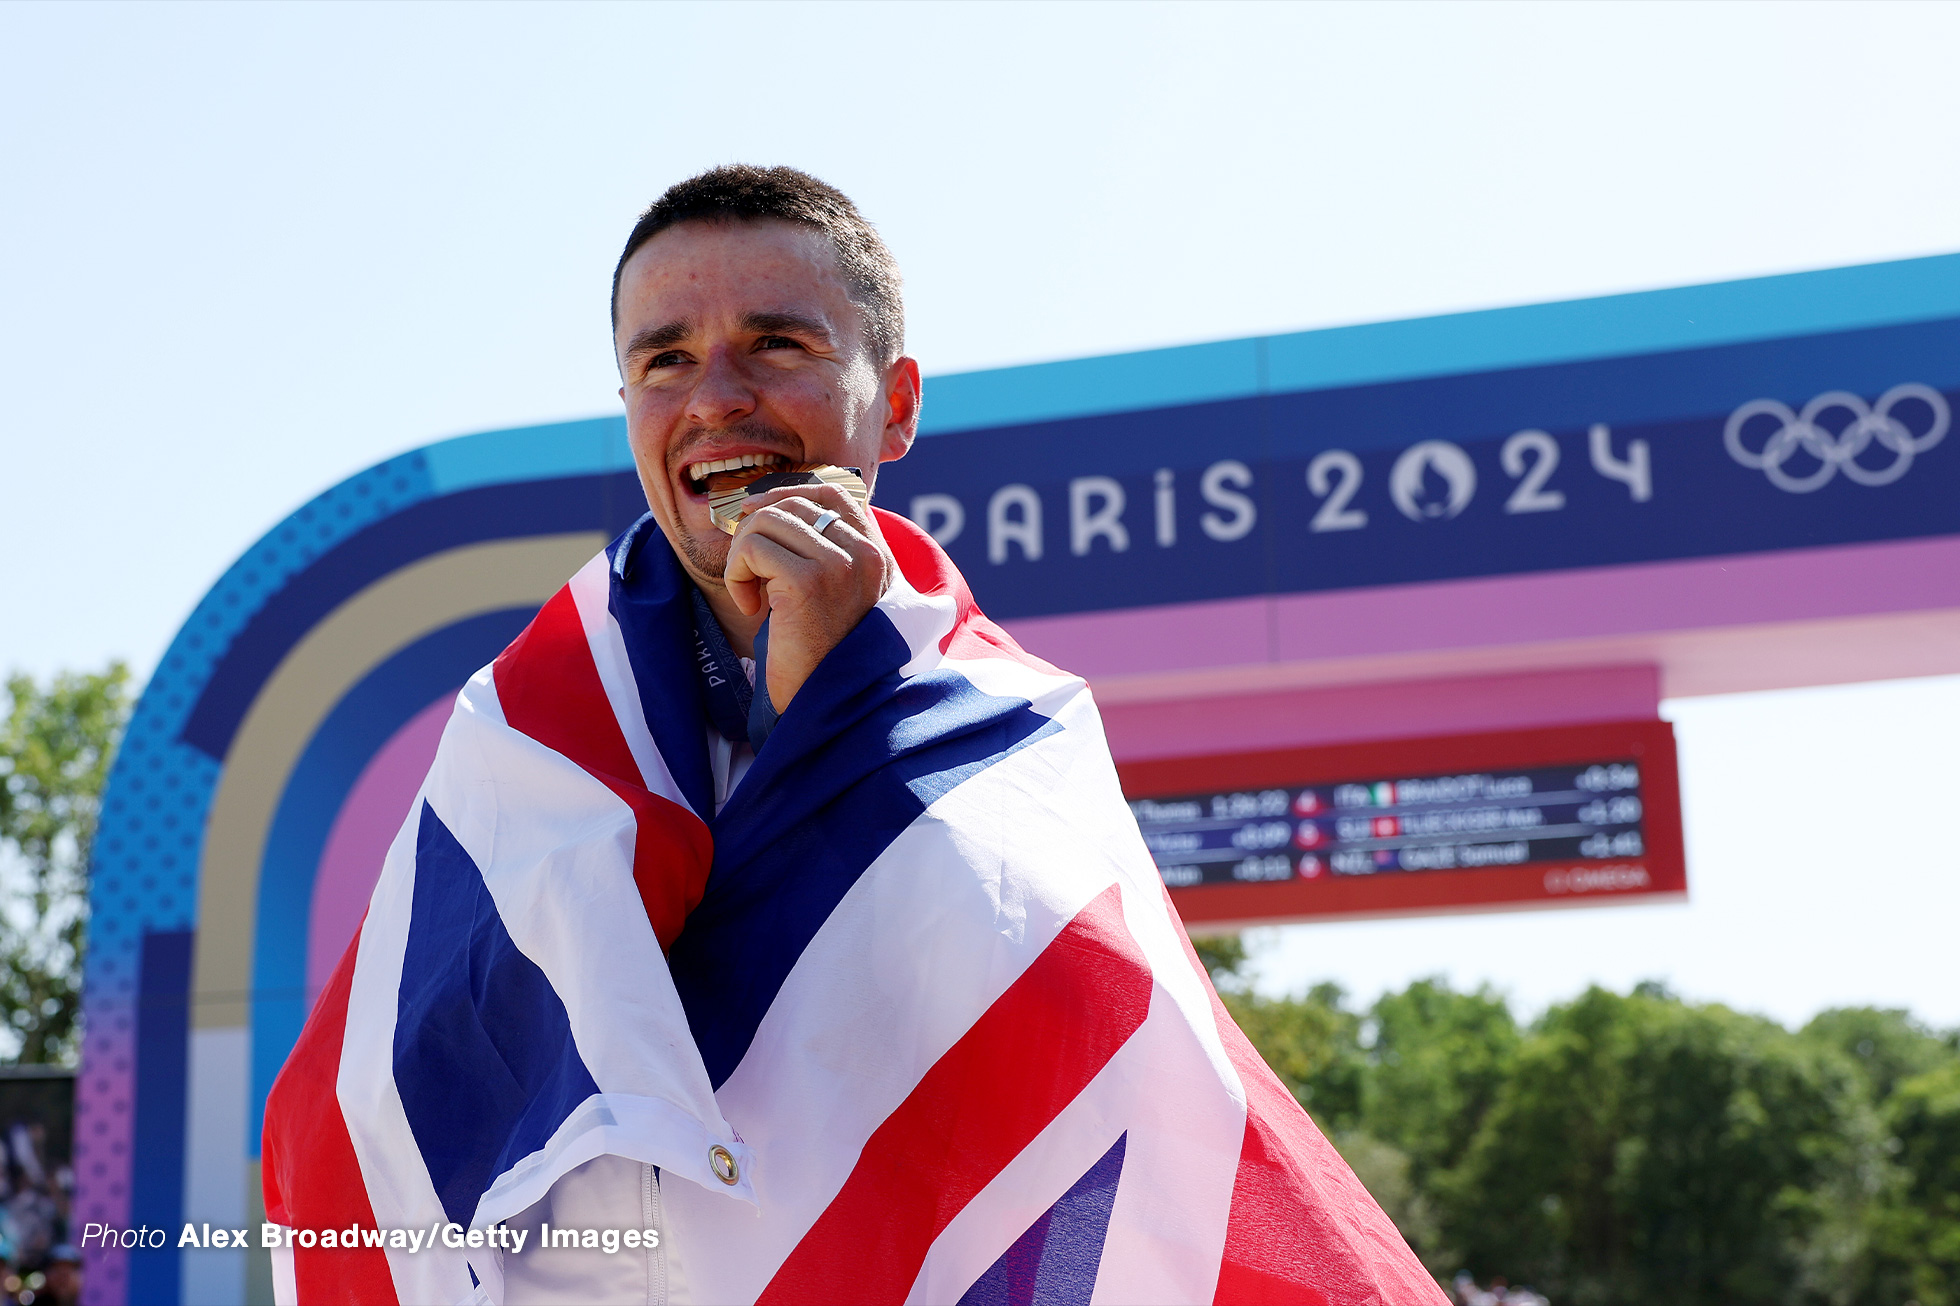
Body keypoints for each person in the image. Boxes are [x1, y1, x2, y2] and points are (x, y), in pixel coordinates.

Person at [263, 166, 1445, 1305]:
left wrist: (829, 704)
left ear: (898, 400)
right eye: (663, 360)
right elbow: (364, 1116)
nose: (714, 396)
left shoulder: (1014, 734)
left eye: (778, 345)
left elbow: (1132, 1101)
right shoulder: (516, 736)